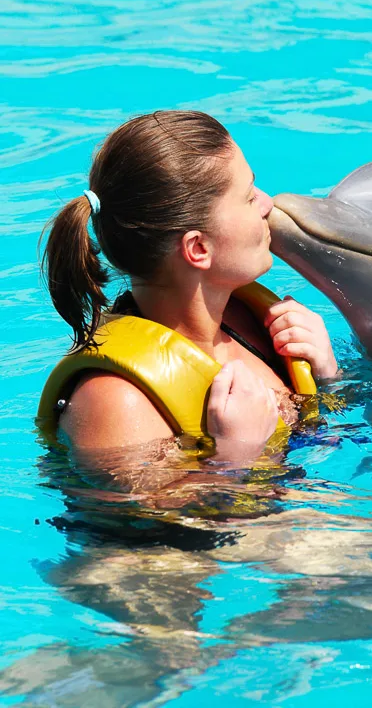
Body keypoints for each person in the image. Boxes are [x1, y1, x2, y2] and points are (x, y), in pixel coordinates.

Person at [41, 110, 338, 479]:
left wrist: (328, 375)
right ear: (198, 249)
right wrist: (236, 455)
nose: (267, 204)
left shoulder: (250, 322)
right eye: (248, 197)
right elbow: (134, 532)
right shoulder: (115, 402)